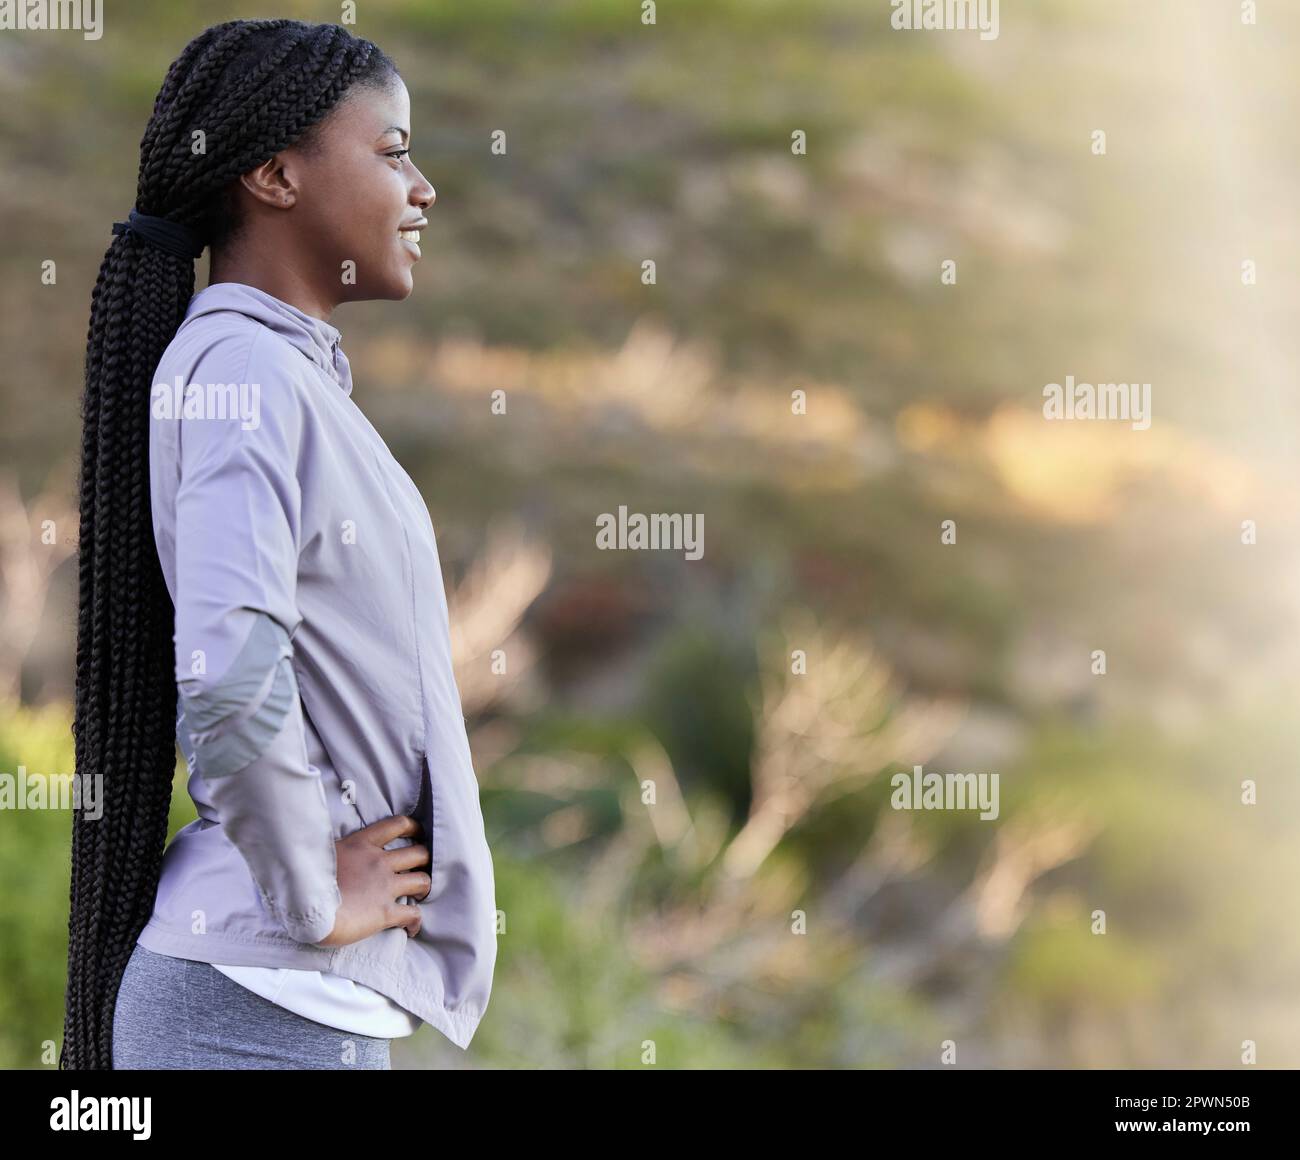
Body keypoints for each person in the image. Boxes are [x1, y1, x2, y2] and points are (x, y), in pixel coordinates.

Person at [62, 18, 498, 1070]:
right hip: (249, 1006)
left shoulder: (277, 373)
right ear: (273, 173)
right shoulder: (242, 373)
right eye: (391, 150)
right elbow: (226, 655)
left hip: (289, 1005)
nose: (423, 186)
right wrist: (308, 890)